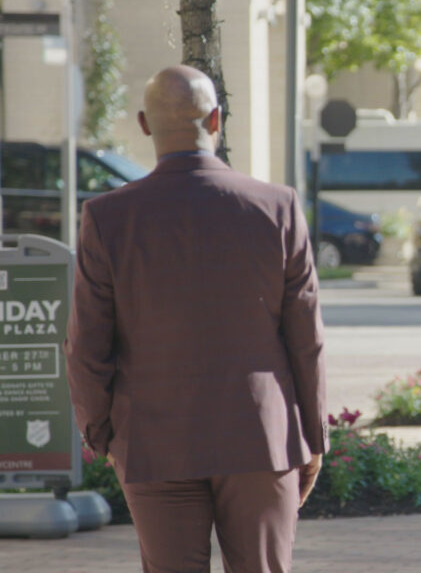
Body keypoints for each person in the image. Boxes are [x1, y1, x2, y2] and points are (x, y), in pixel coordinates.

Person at [65, 65, 328, 572]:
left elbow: (86, 347)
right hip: (259, 436)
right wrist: (313, 437)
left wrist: (102, 435)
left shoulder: (107, 217)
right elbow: (306, 338)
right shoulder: (278, 207)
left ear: (144, 124)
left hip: (153, 438)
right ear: (216, 120)